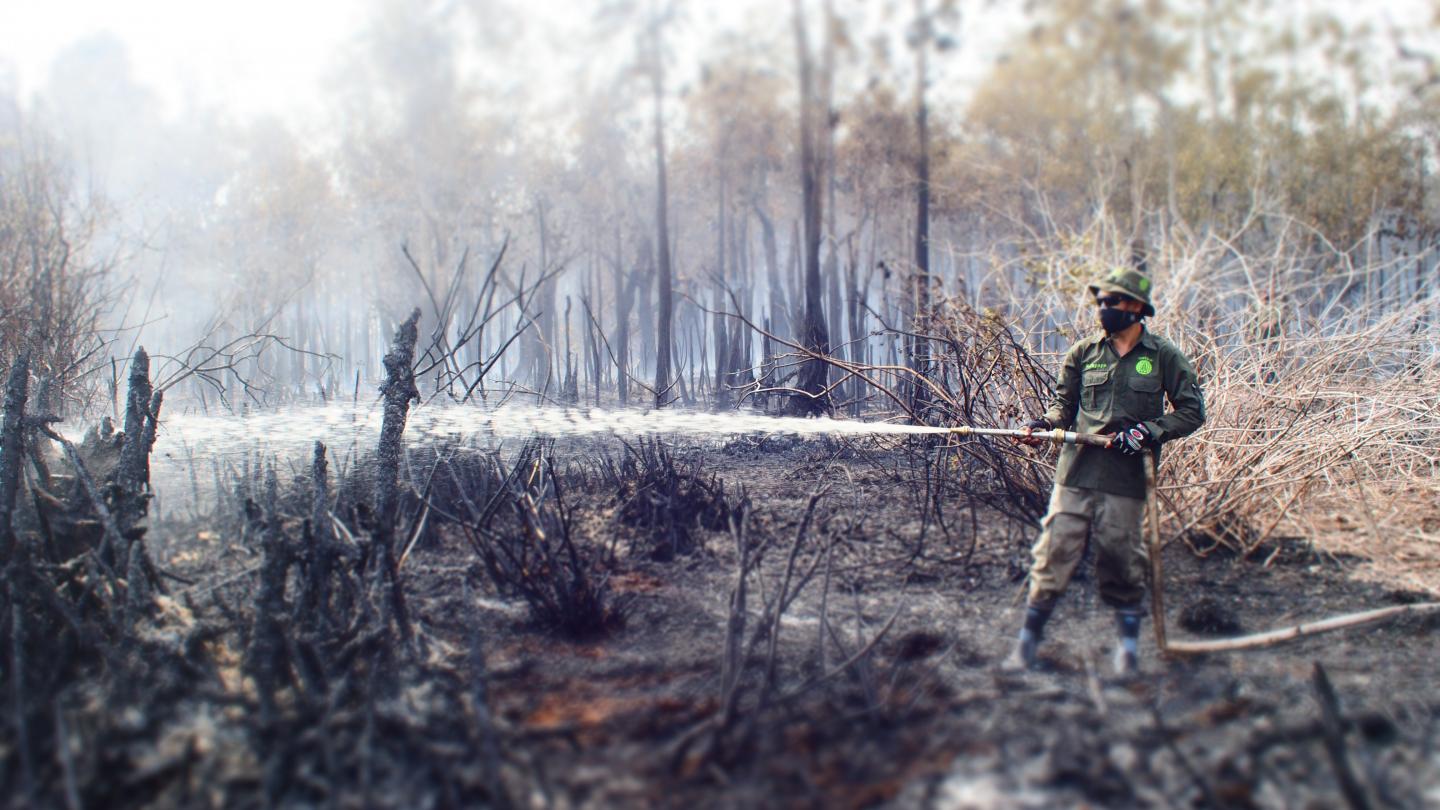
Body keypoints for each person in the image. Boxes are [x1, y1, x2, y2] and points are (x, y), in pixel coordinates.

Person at [1004, 268, 1206, 675]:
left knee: (1120, 558)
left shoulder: (1163, 355)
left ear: (1135, 307)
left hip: (1126, 477)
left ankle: (1128, 651)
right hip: (1076, 471)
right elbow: (1063, 406)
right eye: (1100, 302)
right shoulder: (1083, 352)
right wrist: (1042, 426)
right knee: (1054, 551)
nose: (1103, 309)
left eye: (1112, 302)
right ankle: (1026, 645)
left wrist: (1149, 432)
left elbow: (1191, 412)